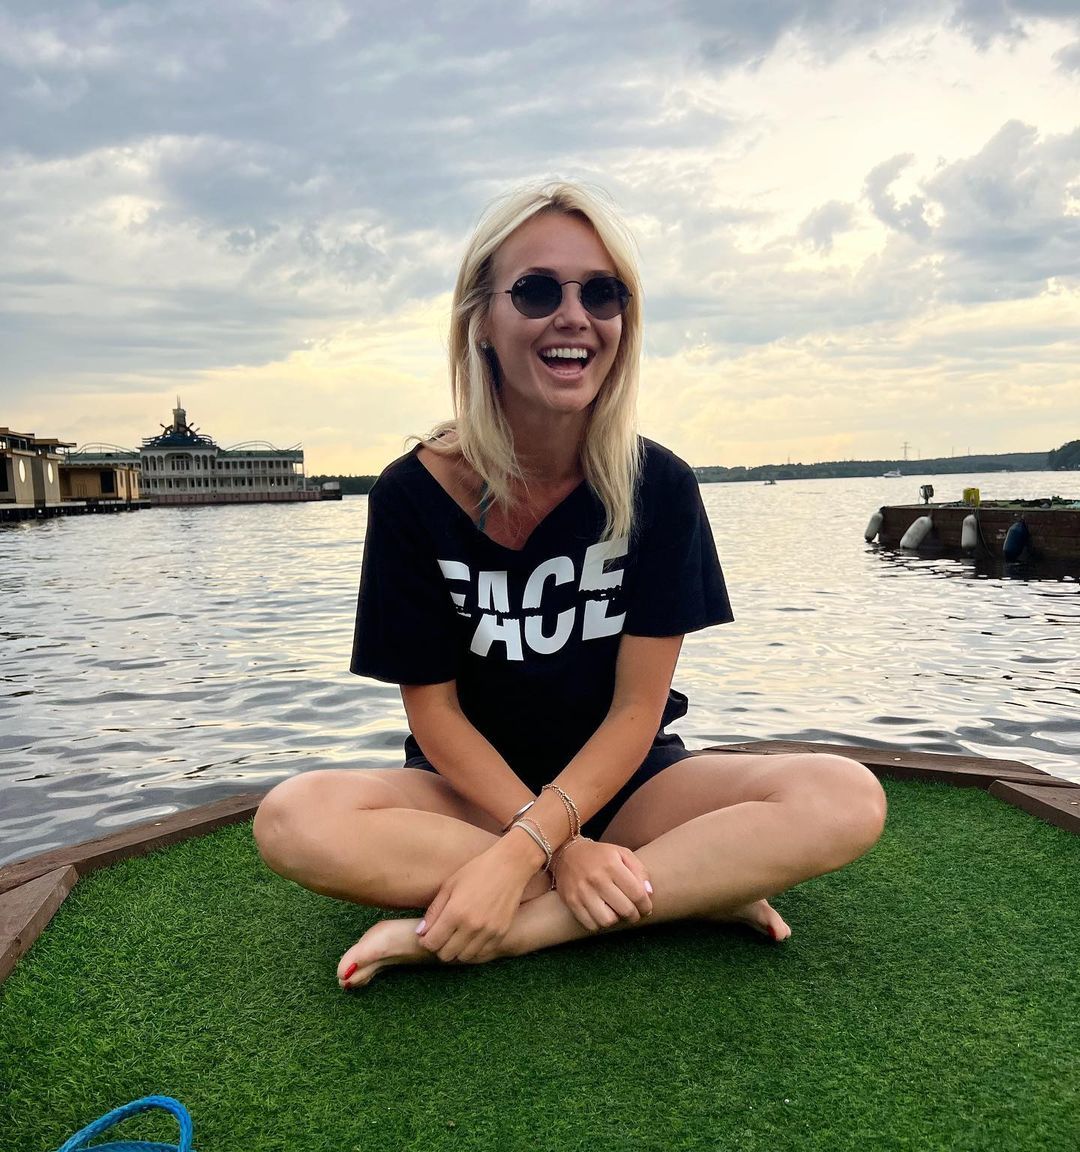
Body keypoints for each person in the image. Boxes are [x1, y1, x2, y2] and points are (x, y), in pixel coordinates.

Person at [253, 181, 887, 988]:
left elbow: (636, 712)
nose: (574, 316)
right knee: (293, 819)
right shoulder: (410, 495)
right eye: (537, 290)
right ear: (481, 320)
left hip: (629, 786)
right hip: (469, 798)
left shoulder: (658, 485)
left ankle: (521, 926)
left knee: (843, 796)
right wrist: (546, 842)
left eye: (602, 293)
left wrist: (524, 858)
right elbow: (435, 715)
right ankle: (677, 888)